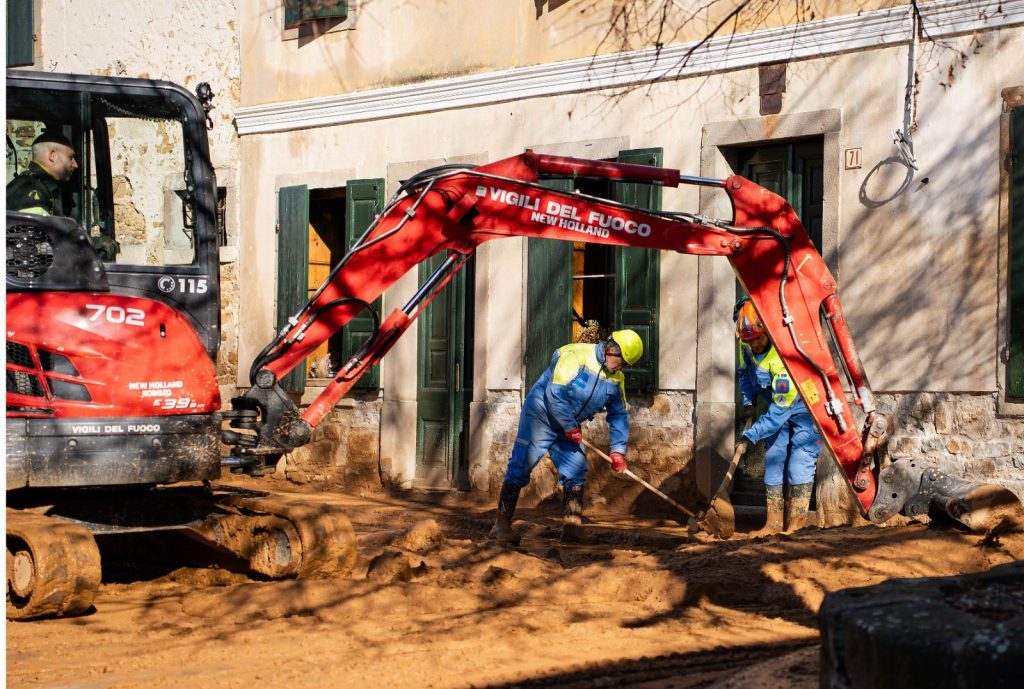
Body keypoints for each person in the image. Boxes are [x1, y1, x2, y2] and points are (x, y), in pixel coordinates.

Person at [489, 329, 643, 544]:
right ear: (611, 349)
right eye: (622, 361)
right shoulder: (575, 355)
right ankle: (501, 525)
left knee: (576, 469)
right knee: (521, 465)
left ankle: (572, 529)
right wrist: (570, 426)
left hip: (569, 426)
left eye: (626, 365)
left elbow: (619, 416)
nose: (621, 368)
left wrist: (618, 451)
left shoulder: (616, 379)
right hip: (541, 416)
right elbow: (555, 393)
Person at [734, 298, 822, 534]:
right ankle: (773, 524)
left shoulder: (782, 362)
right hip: (776, 404)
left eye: (758, 338)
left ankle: (796, 525)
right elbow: (745, 375)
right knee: (774, 456)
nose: (753, 344)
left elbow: (776, 416)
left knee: (799, 460)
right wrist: (749, 402)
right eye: (748, 339)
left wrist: (749, 436)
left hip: (804, 406)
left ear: (769, 332)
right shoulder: (747, 347)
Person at [7, 130, 79, 216]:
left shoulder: (41, 185)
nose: (75, 165)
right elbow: (33, 228)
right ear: (53, 156)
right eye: (71, 157)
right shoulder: (30, 191)